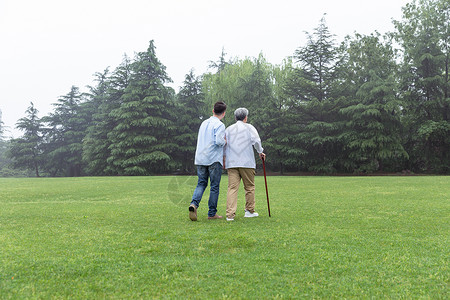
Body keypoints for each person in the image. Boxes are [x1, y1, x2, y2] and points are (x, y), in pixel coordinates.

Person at [223, 108, 265, 221]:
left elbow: (224, 145)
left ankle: (230, 215)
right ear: (245, 117)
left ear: (235, 117)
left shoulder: (228, 129)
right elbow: (256, 141)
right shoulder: (249, 127)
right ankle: (249, 211)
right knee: (249, 187)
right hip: (247, 162)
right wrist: (260, 151)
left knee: (232, 188)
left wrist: (224, 159)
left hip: (232, 162)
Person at [189, 101, 227, 221]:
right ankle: (212, 213)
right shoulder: (220, 125)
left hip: (200, 158)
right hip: (213, 159)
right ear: (224, 113)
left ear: (213, 110)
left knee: (201, 183)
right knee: (214, 186)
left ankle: (194, 204)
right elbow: (219, 142)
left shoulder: (204, 123)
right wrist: (226, 141)